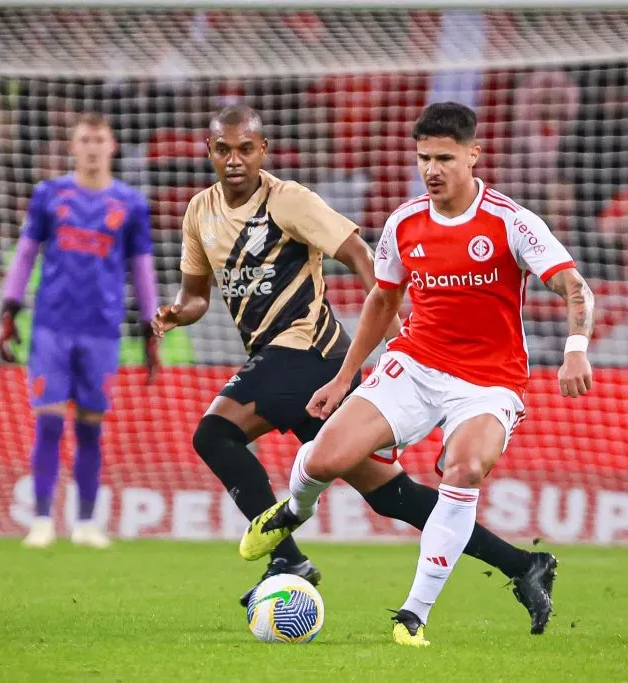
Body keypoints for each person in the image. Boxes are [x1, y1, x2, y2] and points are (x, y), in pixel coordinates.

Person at [153, 105, 554, 626]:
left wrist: (396, 333)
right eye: (223, 149)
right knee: (392, 496)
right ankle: (525, 564)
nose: (234, 160)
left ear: (262, 151)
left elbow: (360, 256)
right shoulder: (199, 212)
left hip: (311, 352)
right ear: (208, 152)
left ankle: (286, 557)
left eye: (245, 149)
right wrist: (177, 314)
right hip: (273, 357)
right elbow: (196, 296)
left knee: (214, 433)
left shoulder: (287, 199)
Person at [239, 102, 595, 646]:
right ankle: (293, 510)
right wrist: (343, 377)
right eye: (424, 157)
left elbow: (575, 287)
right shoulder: (405, 223)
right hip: (416, 364)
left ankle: (413, 614)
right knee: (327, 457)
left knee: (465, 468)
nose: (432, 169)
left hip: (488, 381)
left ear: (473, 155)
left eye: (444, 158)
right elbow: (383, 300)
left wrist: (575, 349)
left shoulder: (510, 221)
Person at [0, 112, 159, 549]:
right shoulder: (49, 195)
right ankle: (41, 520)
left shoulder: (131, 204)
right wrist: (9, 306)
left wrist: (151, 325)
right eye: (84, 139)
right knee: (48, 424)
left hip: (103, 331)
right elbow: (26, 253)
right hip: (51, 327)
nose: (91, 147)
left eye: (99, 139)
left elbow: (141, 269)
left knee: (90, 428)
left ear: (113, 146)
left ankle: (86, 522)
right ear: (73, 147)